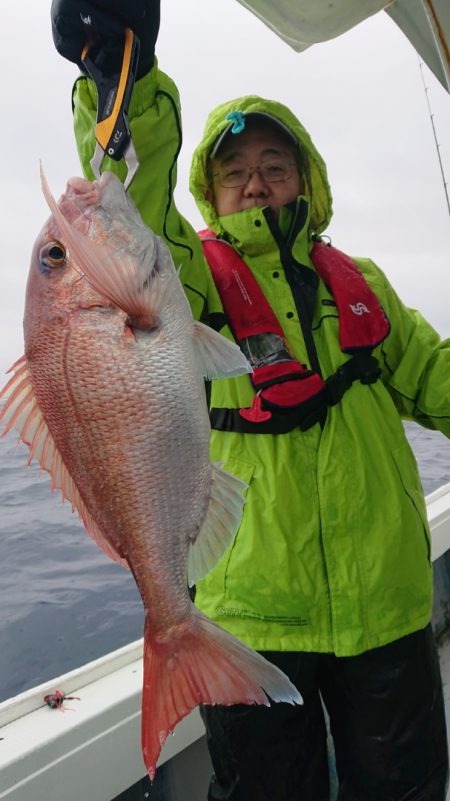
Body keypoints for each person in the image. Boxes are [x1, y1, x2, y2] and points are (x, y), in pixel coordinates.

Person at [51, 2, 450, 799]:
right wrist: (118, 80)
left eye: (274, 164)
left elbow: (436, 381)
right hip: (250, 616)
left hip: (390, 601)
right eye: (234, 172)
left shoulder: (363, 282)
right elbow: (138, 211)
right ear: (212, 191)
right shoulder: (185, 281)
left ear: (308, 180)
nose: (256, 182)